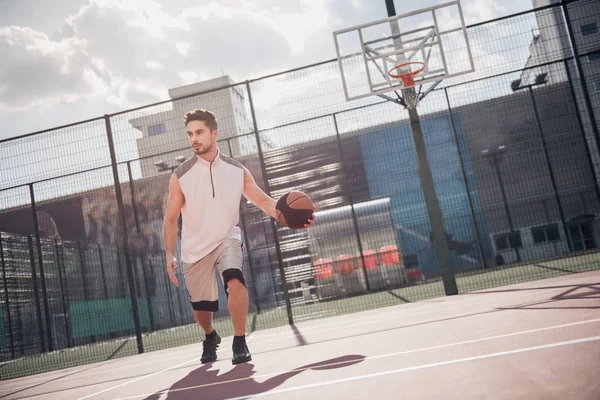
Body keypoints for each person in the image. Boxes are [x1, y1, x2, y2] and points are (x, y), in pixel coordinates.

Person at [162, 109, 315, 365]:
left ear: (214, 133)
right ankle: (210, 336)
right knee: (201, 310)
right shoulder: (180, 176)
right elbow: (170, 219)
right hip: (193, 248)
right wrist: (168, 253)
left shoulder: (237, 170)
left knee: (235, 280)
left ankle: (239, 341)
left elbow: (264, 201)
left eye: (199, 132)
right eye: (190, 134)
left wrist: (291, 218)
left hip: (227, 239)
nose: (194, 138)